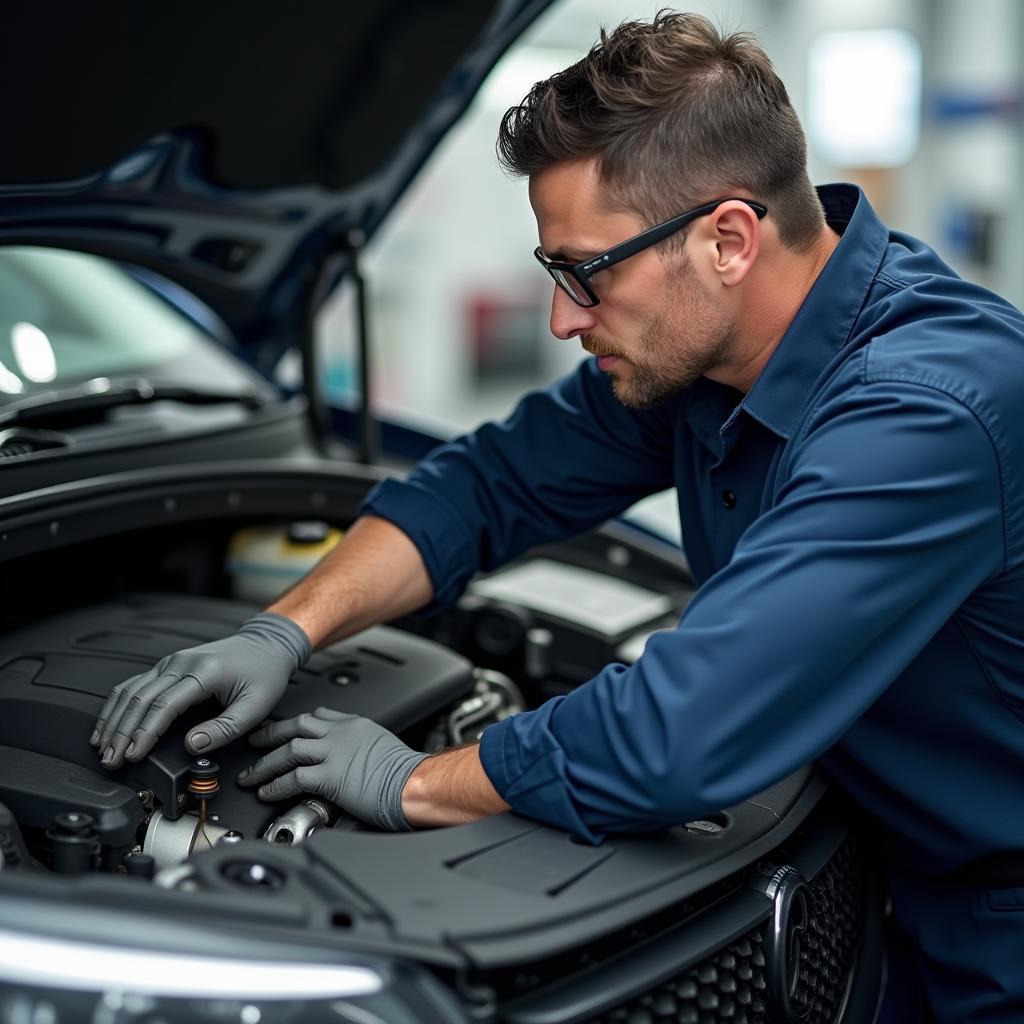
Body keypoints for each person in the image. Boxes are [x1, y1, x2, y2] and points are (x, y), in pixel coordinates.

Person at [91, 12, 1024, 1021]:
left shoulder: (925, 410)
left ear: (727, 238)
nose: (563, 319)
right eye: (553, 274)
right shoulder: (703, 356)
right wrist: (287, 624)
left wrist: (411, 782)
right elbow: (489, 483)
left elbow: (680, 732)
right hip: (887, 866)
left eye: (587, 272)